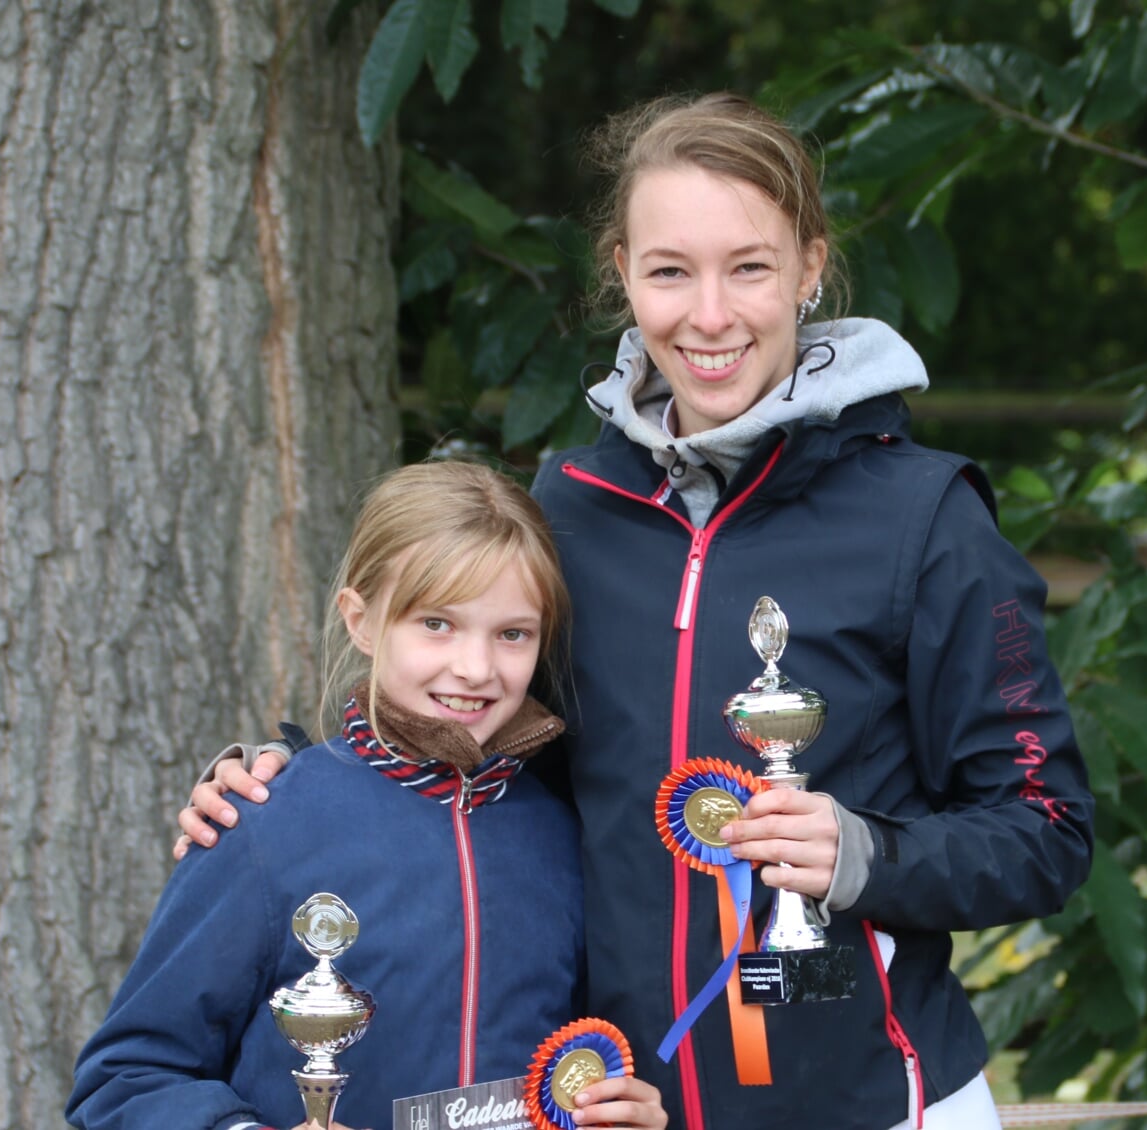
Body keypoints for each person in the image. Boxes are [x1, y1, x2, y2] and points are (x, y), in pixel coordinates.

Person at [179, 93, 1094, 1130]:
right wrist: (281, 784)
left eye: (749, 267)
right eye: (670, 271)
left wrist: (861, 854)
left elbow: (1045, 831)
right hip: (622, 1105)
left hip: (881, 1101)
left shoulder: (928, 516)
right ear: (621, 274)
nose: (710, 315)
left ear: (810, 268)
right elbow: (480, 742)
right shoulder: (567, 508)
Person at [69, 462, 667, 1130]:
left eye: (512, 633)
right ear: (361, 620)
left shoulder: (563, 831)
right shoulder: (264, 821)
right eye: (436, 623)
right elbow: (123, 1080)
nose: (475, 668)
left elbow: (581, 1054)